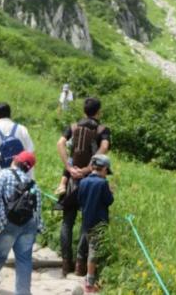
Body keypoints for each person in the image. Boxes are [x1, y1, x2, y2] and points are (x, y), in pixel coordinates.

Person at [56, 97, 111, 277]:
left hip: (72, 179)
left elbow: (60, 143)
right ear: (98, 112)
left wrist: (70, 167)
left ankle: (65, 263)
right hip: (91, 180)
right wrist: (89, 167)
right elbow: (104, 146)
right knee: (87, 222)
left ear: (84, 110)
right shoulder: (102, 129)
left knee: (67, 221)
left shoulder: (73, 127)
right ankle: (80, 265)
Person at [0, 151, 43, 295]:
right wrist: (38, 229)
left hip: (8, 223)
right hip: (28, 225)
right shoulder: (33, 183)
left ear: (15, 160)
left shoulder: (4, 174)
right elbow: (37, 210)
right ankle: (23, 292)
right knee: (24, 259)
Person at [78, 154, 114, 293]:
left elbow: (80, 201)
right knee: (94, 251)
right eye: (106, 171)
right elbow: (109, 201)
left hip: (86, 221)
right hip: (99, 222)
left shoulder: (83, 182)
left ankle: (88, 277)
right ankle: (90, 282)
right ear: (104, 168)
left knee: (90, 249)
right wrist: (110, 191)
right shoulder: (102, 183)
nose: (106, 174)